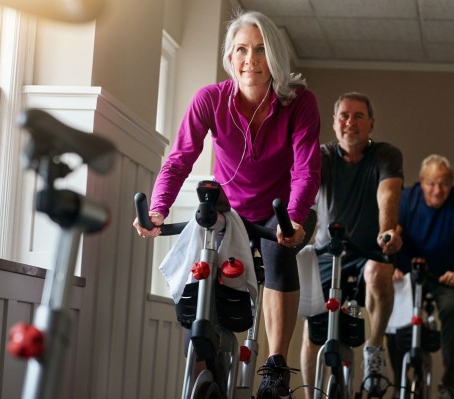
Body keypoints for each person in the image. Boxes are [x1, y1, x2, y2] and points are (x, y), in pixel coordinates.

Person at [132, 10, 322, 398]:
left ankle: (275, 366)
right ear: (230, 59)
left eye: (259, 50)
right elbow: (179, 158)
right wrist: (158, 209)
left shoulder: (299, 103)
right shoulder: (211, 99)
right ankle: (204, 355)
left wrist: (296, 221)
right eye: (241, 50)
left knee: (278, 250)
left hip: (281, 210)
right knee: (204, 235)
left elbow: (306, 169)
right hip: (231, 211)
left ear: (274, 57)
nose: (249, 59)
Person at [299, 92, 404, 399]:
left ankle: (373, 347)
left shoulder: (386, 155)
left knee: (379, 274)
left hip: (368, 253)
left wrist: (387, 233)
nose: (351, 122)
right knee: (314, 331)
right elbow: (304, 196)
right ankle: (311, 395)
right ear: (334, 123)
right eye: (344, 115)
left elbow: (388, 195)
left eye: (359, 116)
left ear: (371, 123)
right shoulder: (322, 156)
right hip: (327, 252)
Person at [388, 154, 454, 399]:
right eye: (431, 183)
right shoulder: (407, 198)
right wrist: (391, 265)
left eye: (444, 184)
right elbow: (393, 234)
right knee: (393, 313)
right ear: (421, 182)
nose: (437, 190)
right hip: (407, 273)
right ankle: (399, 386)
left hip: (445, 276)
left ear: (451, 183)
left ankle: (448, 384)